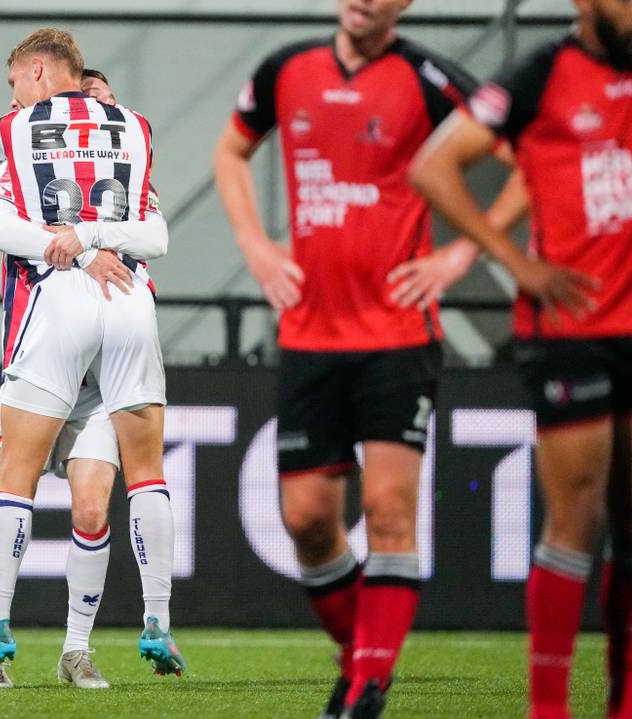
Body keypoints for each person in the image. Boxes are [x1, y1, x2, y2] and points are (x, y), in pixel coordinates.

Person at [211, 0, 523, 715]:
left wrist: (464, 251)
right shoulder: (285, 69)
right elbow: (230, 151)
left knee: (388, 512)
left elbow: (523, 162)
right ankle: (363, 662)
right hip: (310, 335)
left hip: (397, 335)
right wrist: (257, 246)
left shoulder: (429, 77)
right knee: (307, 518)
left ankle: (364, 688)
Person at [410, 1, 632, 716]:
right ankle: (549, 708)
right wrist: (512, 262)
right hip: (566, 325)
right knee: (579, 515)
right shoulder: (539, 72)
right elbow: (435, 168)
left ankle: (626, 707)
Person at [0, 28, 185, 679]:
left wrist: (72, 242)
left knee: (18, 481)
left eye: (18, 80)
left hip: (56, 307)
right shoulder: (135, 131)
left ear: (41, 73)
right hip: (129, 304)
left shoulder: (17, 126)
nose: (15, 94)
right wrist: (96, 237)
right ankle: (157, 619)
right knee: (148, 473)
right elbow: (156, 233)